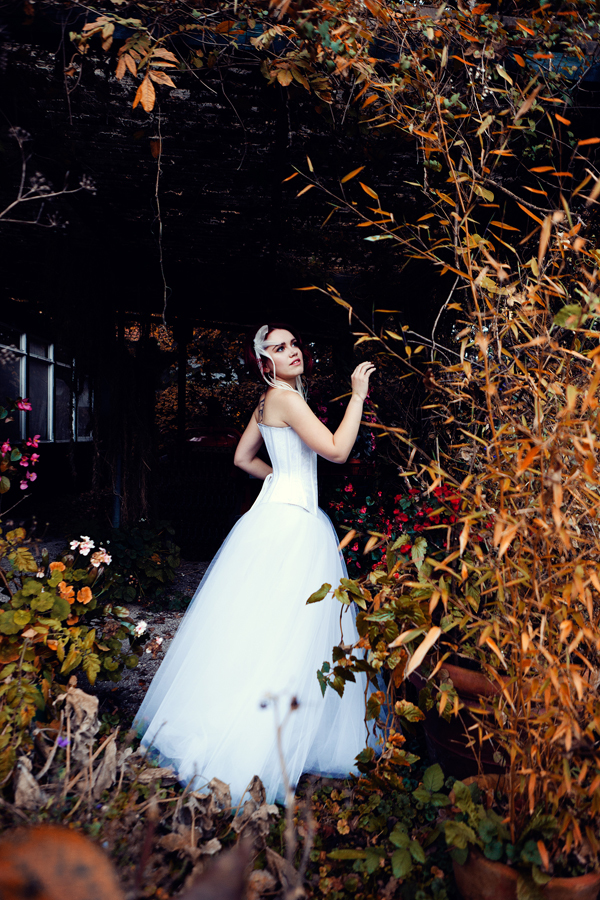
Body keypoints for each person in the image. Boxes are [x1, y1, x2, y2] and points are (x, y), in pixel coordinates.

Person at [134, 323, 376, 806]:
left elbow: (244, 458)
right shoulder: (286, 399)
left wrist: (278, 482)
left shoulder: (266, 402)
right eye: (279, 349)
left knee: (261, 630)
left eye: (294, 343)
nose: (292, 352)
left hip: (270, 519)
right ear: (265, 363)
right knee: (293, 631)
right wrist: (357, 395)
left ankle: (254, 723)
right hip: (295, 526)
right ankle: (267, 741)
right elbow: (336, 450)